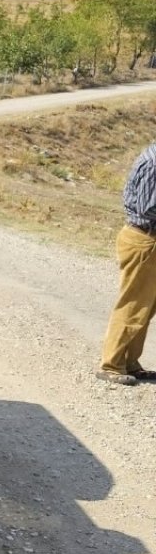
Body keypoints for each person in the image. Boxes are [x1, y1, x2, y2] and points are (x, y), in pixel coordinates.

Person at [97, 143, 156, 386]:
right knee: (132, 304)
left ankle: (130, 361)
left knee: (146, 306)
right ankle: (111, 364)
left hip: (149, 239)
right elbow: (147, 207)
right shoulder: (154, 161)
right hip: (144, 239)